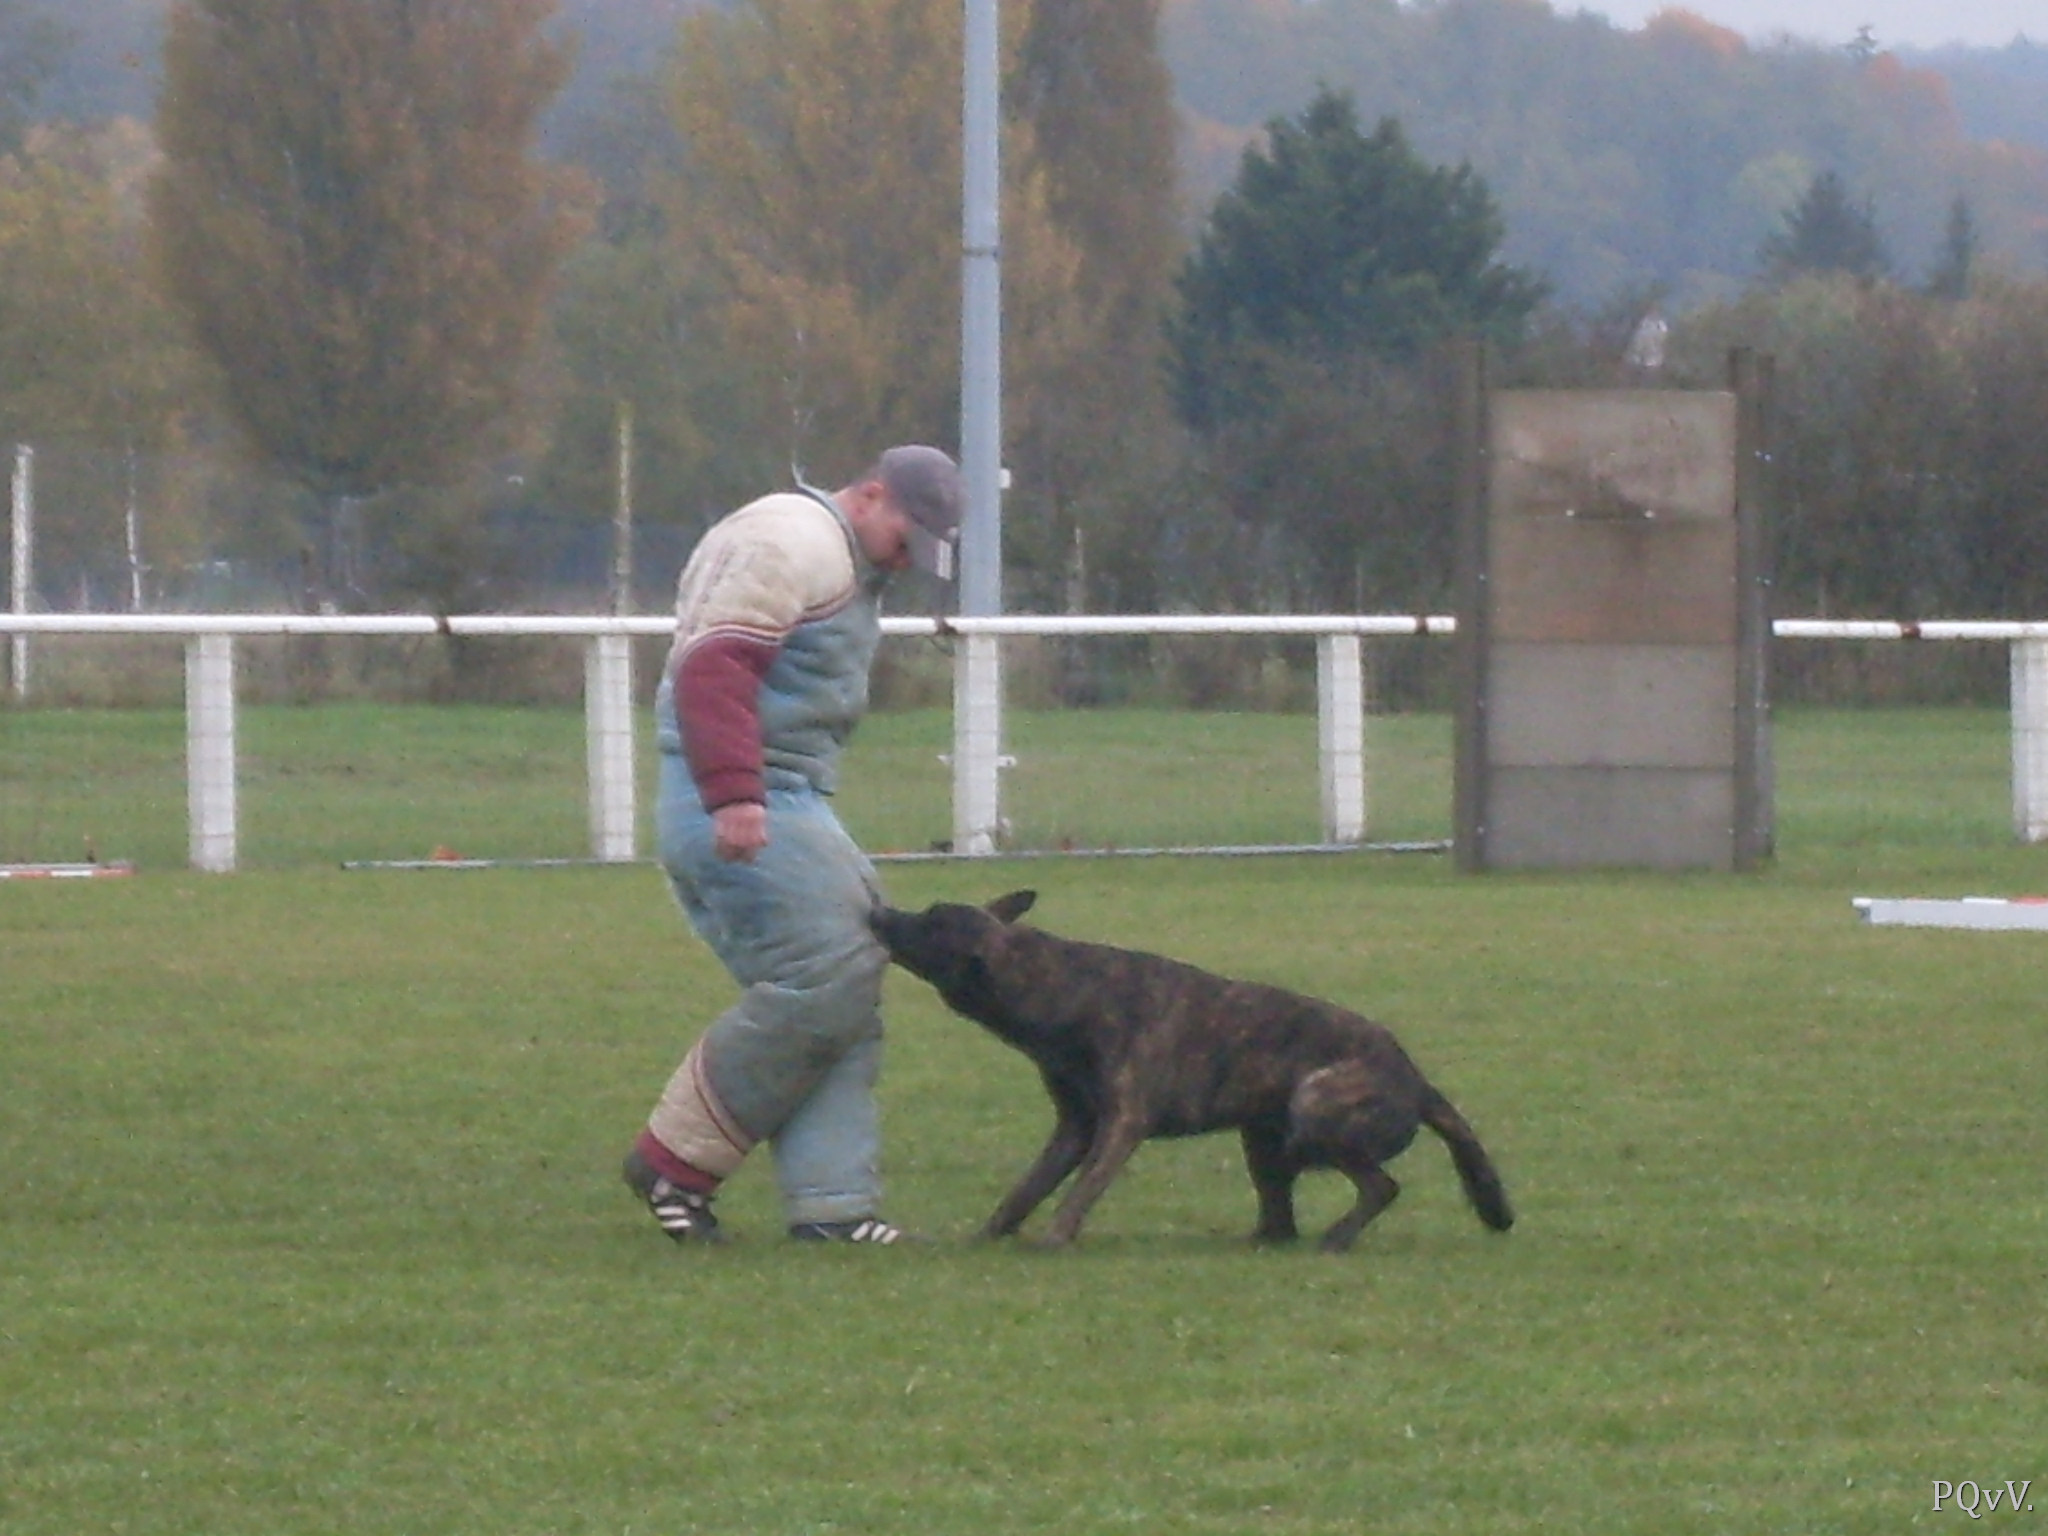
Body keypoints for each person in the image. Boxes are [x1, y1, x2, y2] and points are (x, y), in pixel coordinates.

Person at [622, 445, 965, 1244]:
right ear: (871, 495)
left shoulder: (827, 549)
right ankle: (672, 1162)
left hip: (790, 795)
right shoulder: (794, 540)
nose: (911, 561)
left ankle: (834, 1211)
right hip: (744, 795)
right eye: (908, 537)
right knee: (825, 977)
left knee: (851, 983)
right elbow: (714, 668)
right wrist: (736, 795)